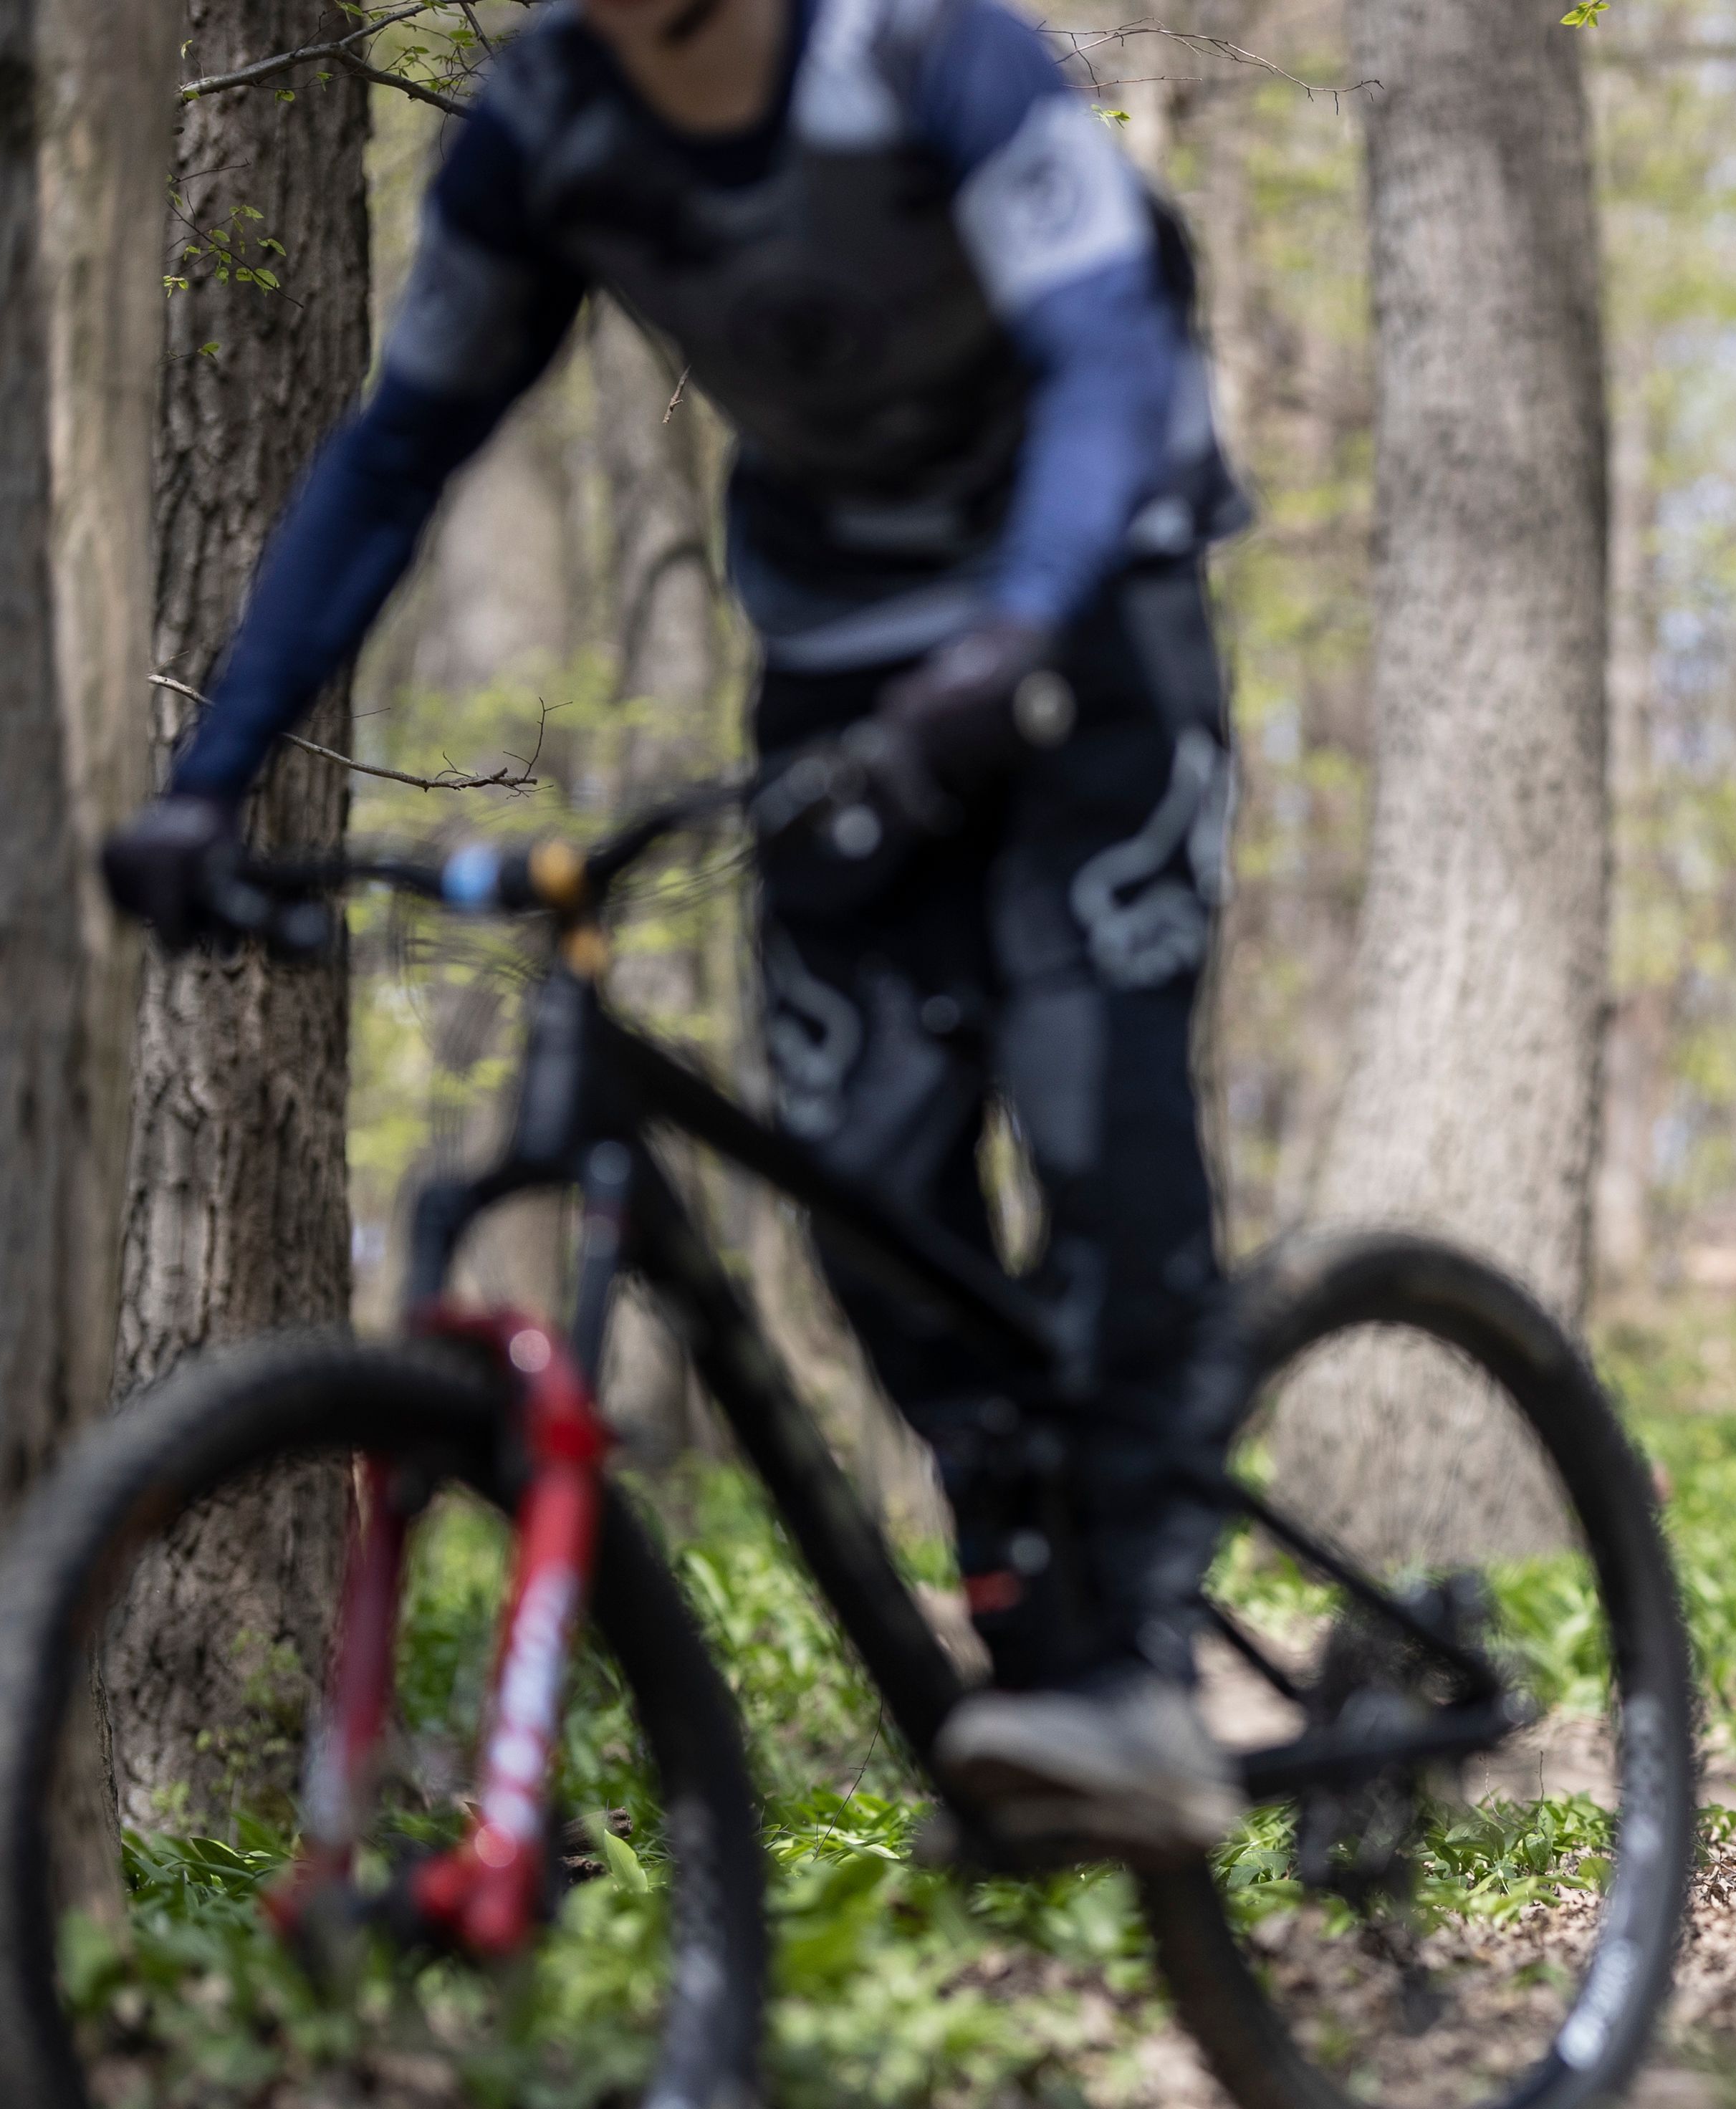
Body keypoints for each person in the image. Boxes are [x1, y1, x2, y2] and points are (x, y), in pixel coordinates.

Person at [98, 0, 1251, 1861]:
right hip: (842, 663)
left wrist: (1025, 618)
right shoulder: (549, 126)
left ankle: (1150, 1684)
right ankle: (1041, 1639)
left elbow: (1112, 339)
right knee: (867, 1189)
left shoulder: (926, 57)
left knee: (1093, 1115)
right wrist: (206, 781)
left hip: (1090, 625)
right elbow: (402, 449)